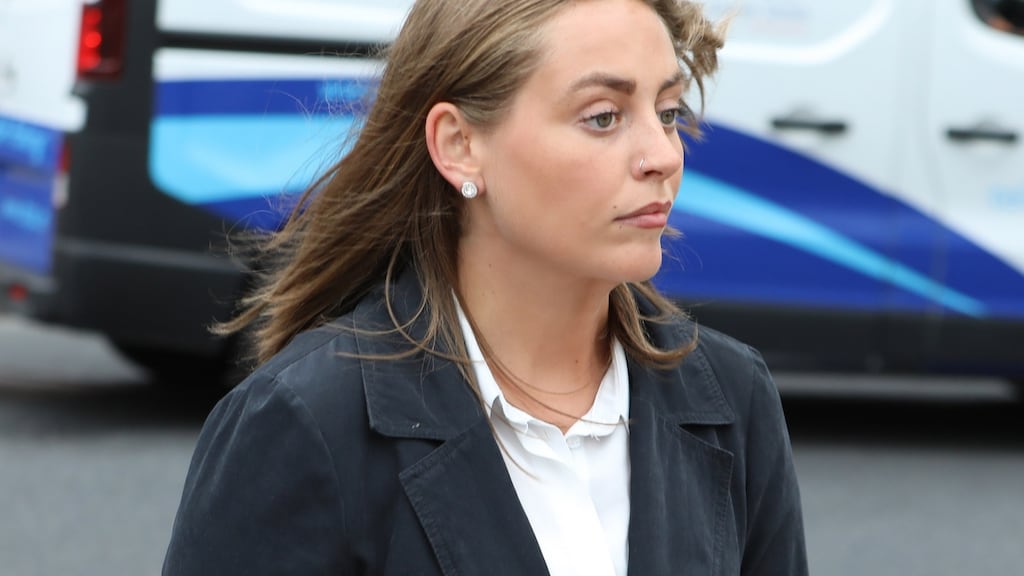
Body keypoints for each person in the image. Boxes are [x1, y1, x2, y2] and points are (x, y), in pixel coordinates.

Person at [163, 0, 809, 574]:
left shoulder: (735, 398)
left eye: (668, 112)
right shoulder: (306, 422)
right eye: (603, 117)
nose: (663, 156)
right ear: (459, 145)